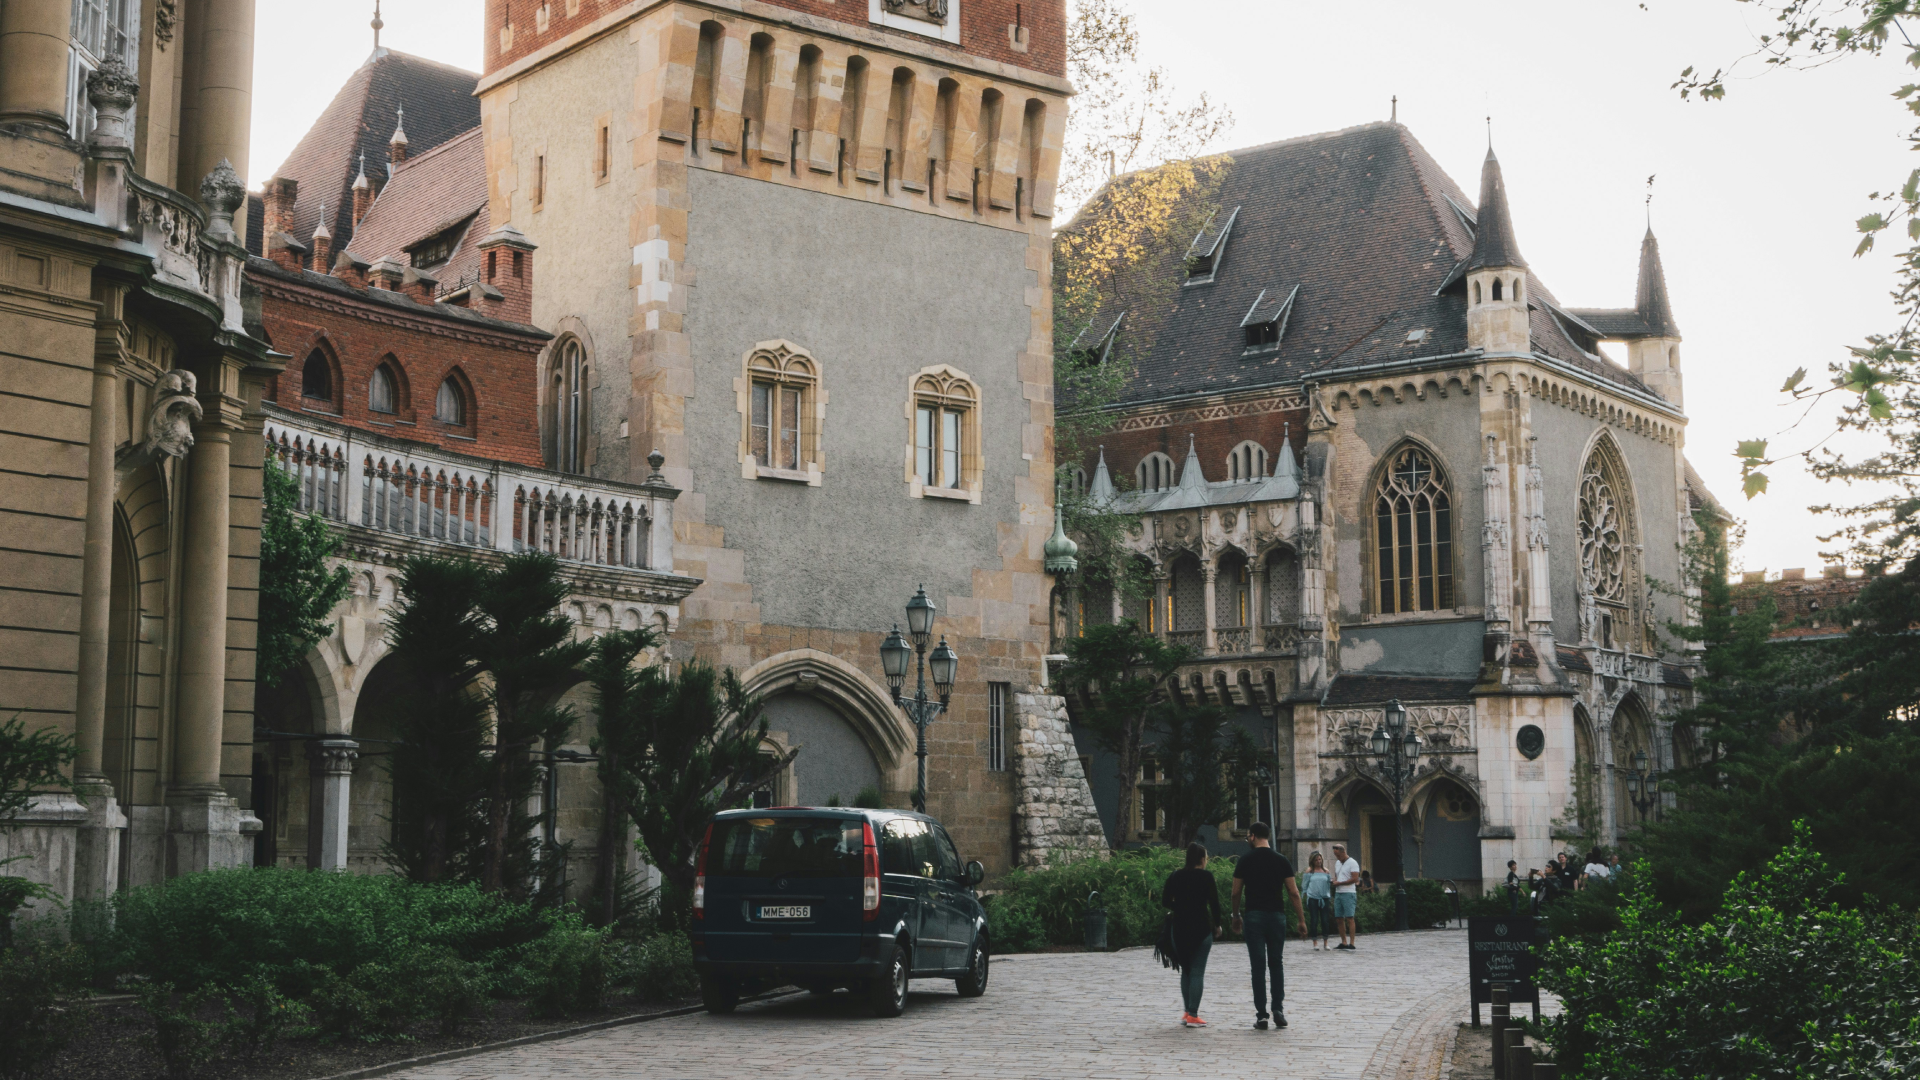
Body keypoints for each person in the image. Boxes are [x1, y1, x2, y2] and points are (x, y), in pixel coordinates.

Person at [1230, 822, 1307, 1031]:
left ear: (1253, 836)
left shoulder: (1245, 860)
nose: (1247, 839)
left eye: (1247, 836)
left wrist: (1236, 915)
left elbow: (1235, 892)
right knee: (1276, 963)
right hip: (1277, 916)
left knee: (1258, 966)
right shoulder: (1281, 860)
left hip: (1254, 916)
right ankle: (1278, 1009)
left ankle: (1262, 1016)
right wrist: (1301, 919)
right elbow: (1293, 892)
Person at [1162, 841, 1223, 1028]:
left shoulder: (1175, 876)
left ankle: (1187, 1011)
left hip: (1179, 928)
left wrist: (1179, 907)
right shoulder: (1206, 877)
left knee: (1186, 970)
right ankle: (1194, 1015)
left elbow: (1165, 900)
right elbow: (1214, 903)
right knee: (1197, 972)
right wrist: (1218, 925)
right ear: (1202, 859)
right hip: (1201, 928)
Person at [1300, 852, 1334, 950]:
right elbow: (1305, 885)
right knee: (1314, 920)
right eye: (1316, 860)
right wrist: (1305, 896)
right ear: (1312, 861)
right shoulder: (1309, 871)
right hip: (1313, 898)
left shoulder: (1326, 871)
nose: (1318, 861)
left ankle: (1325, 942)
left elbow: (1328, 884)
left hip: (1324, 898)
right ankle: (1315, 942)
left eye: (1320, 859)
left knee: (1325, 920)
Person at [1330, 843, 1361, 951]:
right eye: (1335, 855)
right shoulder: (1338, 863)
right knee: (1339, 918)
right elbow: (1337, 876)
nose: (1337, 857)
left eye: (1338, 855)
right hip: (1338, 893)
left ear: (1343, 852)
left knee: (1349, 917)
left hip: (1348, 892)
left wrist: (1340, 883)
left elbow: (1355, 879)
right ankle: (1344, 941)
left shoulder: (1353, 863)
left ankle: (1352, 943)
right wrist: (1334, 881)